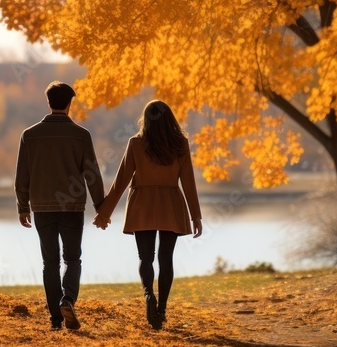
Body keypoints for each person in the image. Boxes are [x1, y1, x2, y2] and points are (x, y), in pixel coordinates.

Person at [93, 100, 203, 329]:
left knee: (145, 258)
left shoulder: (136, 144)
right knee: (166, 259)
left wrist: (104, 213)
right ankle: (161, 308)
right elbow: (189, 182)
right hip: (171, 204)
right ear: (170, 118)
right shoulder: (180, 144)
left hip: (142, 203)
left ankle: (147, 295)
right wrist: (196, 216)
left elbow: (121, 180)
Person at [15, 81, 105, 330]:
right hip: (73, 209)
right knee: (73, 259)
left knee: (50, 263)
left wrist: (23, 207)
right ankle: (68, 300)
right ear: (70, 103)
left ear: (48, 102)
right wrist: (102, 208)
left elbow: (22, 175)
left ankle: (55, 317)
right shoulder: (81, 135)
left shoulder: (29, 135)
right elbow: (92, 175)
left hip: (42, 207)